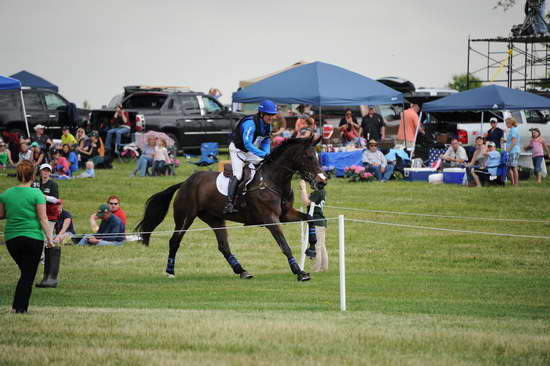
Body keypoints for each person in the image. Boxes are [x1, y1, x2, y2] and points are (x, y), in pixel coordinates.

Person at [0, 161, 54, 313]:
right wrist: (50, 239)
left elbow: (1, 215)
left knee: (25, 272)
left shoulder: (5, 194)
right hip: (32, 238)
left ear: (17, 175)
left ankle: (18, 307)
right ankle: (19, 308)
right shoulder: (37, 194)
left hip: (12, 239)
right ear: (34, 175)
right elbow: (43, 219)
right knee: (27, 275)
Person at [223, 100, 276, 214]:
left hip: (248, 151)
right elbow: (247, 144)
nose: (271, 117)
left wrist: (266, 154)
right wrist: (262, 154)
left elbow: (265, 141)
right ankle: (229, 204)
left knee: (265, 165)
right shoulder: (250, 123)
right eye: (269, 115)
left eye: (273, 115)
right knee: (238, 175)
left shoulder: (268, 126)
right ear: (261, 114)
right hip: (237, 149)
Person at [32, 163, 62, 288]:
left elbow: (56, 200)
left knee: (47, 237)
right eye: (43, 171)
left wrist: (42, 196)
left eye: (47, 171)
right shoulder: (35, 183)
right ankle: (42, 257)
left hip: (49, 215)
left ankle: (45, 259)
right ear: (39, 172)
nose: (45, 173)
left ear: (50, 172)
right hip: (36, 214)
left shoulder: (53, 184)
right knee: (38, 236)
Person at [298, 179, 328, 272]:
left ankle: (316, 269)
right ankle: (324, 267)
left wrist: (303, 188)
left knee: (317, 246)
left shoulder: (318, 192)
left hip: (317, 222)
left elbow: (306, 202)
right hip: (320, 222)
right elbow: (306, 198)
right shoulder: (321, 192)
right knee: (321, 246)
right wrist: (303, 190)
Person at [505, 117, 521, 185]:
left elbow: (514, 142)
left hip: (513, 150)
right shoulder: (512, 130)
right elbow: (511, 141)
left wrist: (508, 149)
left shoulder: (514, 130)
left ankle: (515, 184)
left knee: (514, 167)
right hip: (512, 150)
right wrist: (505, 141)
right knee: (509, 167)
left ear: (510, 123)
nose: (506, 124)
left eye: (507, 123)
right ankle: (513, 183)